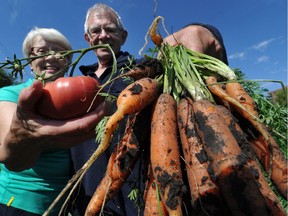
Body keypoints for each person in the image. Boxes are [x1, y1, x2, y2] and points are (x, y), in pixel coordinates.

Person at [70, 3, 229, 216]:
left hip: (139, 201)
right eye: (96, 30)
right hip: (87, 201)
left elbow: (203, 47)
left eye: (110, 29)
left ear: (124, 36)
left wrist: (202, 31)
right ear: (87, 38)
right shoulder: (75, 84)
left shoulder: (145, 70)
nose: (103, 35)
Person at [0, 27, 103, 216]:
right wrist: (26, 137)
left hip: (64, 207)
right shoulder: (10, 94)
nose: (52, 57)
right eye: (42, 51)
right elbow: (11, 158)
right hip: (17, 203)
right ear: (29, 61)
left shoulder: (81, 97)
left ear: (69, 60)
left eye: (61, 53)